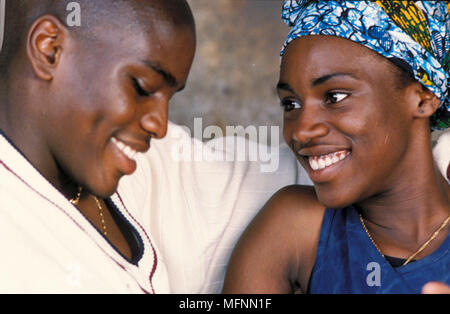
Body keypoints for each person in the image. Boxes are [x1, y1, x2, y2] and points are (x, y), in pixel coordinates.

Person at [0, 0, 313, 293]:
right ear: (49, 48)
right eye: (143, 87)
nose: (159, 125)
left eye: (169, 96)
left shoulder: (145, 160)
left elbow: (311, 175)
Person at [223, 0, 450, 294]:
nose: (302, 131)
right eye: (290, 104)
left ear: (423, 98)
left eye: (335, 97)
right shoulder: (296, 229)